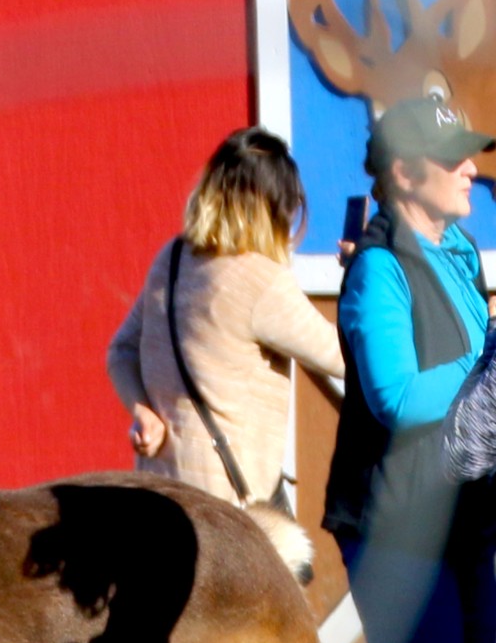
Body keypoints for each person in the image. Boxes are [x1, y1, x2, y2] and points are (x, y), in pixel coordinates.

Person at [321, 95, 496, 643]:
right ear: (403, 174)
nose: (473, 166)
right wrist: (486, 361)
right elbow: (395, 397)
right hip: (395, 524)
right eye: (454, 155)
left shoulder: (456, 255)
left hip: (464, 518)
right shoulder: (377, 269)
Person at [106, 128, 343, 506]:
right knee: (289, 566)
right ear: (275, 208)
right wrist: (362, 272)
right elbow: (343, 357)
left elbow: (121, 350)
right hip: (231, 505)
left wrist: (142, 411)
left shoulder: (173, 258)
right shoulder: (260, 281)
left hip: (159, 490)